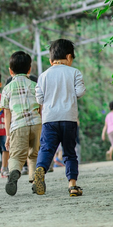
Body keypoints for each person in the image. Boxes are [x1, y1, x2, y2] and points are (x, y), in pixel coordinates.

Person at [33, 39, 86, 197]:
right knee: (70, 152)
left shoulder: (43, 76)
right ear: (69, 57)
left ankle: (41, 169)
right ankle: (73, 186)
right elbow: (80, 92)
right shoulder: (74, 72)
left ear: (51, 60)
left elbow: (39, 99)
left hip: (49, 119)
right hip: (68, 118)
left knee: (47, 148)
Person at [1, 51, 42, 196]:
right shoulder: (35, 85)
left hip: (18, 125)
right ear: (29, 69)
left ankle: (14, 172)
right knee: (34, 154)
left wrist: (7, 135)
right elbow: (40, 106)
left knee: (16, 156)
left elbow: (7, 113)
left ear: (10, 71)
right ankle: (35, 179)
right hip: (37, 124)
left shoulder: (7, 89)